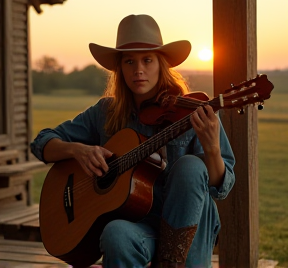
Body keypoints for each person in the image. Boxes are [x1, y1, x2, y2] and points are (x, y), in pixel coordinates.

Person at [31, 14, 235, 268]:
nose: (138, 69)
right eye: (129, 61)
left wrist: (212, 148)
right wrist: (78, 150)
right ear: (120, 68)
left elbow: (221, 188)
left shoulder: (192, 111)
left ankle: (170, 262)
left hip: (190, 226)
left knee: (191, 166)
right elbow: (42, 142)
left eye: (147, 60)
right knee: (116, 233)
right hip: (142, 228)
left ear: (161, 64)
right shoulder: (105, 112)